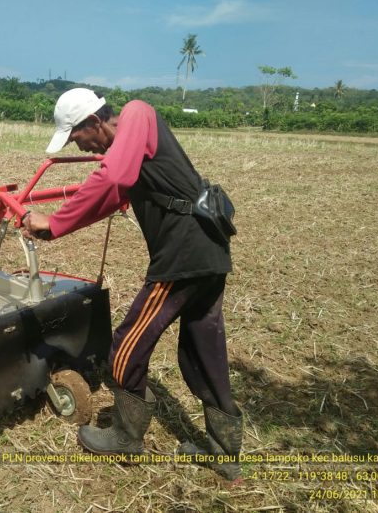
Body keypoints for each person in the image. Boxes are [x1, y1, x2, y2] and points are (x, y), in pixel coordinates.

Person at [22, 88, 243, 480]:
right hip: (208, 253)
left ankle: (126, 437)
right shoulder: (131, 147)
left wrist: (53, 221)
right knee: (201, 352)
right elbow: (114, 194)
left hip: (184, 257)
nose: (80, 146)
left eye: (76, 136)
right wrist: (56, 228)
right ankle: (224, 452)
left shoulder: (137, 113)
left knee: (126, 347)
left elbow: (113, 177)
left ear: (94, 121)